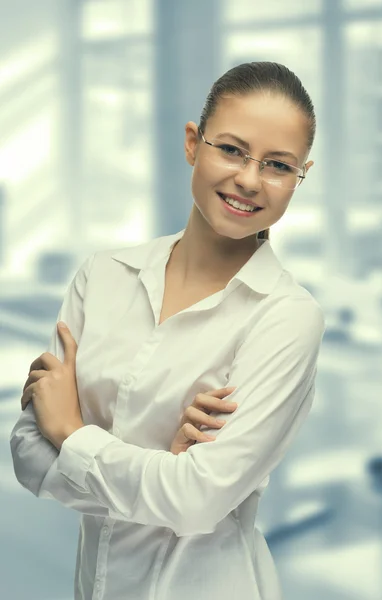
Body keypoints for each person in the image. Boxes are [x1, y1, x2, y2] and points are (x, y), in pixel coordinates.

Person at [10, 61, 326, 600]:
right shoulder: (102, 276)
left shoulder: (287, 316)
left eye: (277, 165)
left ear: (300, 175)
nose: (249, 179)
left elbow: (197, 502)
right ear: (191, 144)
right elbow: (25, 454)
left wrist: (71, 432)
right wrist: (162, 473)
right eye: (231, 149)